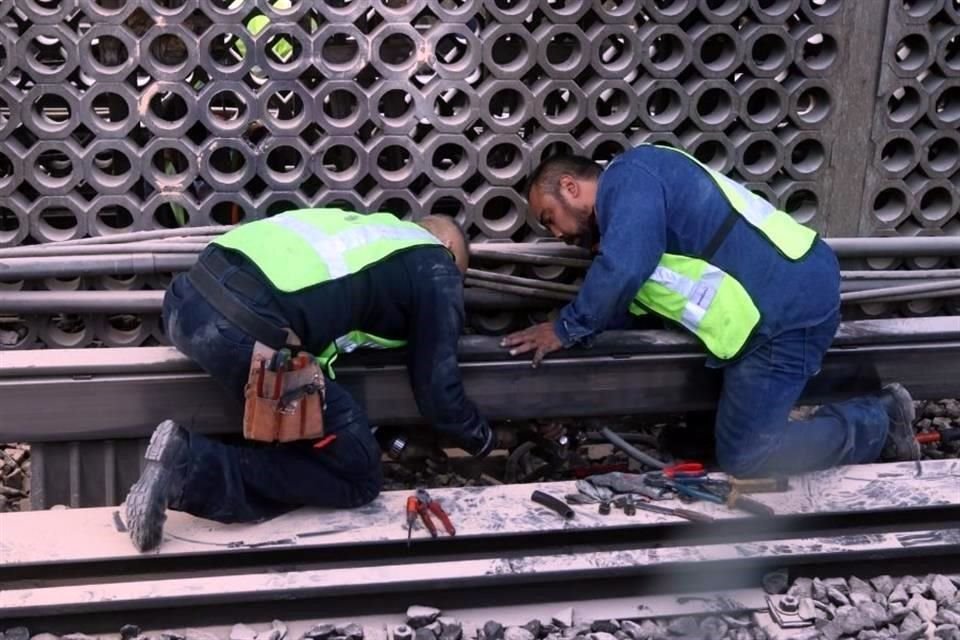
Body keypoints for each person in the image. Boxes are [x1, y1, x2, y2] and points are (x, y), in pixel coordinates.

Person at [502, 145, 921, 477]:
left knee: (750, 457)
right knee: (707, 441)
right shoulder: (630, 214)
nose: (556, 235)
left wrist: (565, 327)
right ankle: (705, 442)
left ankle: (880, 421)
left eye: (550, 218)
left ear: (571, 187)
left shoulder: (630, 177)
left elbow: (624, 268)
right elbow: (634, 302)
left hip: (785, 309)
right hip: (765, 312)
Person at [125, 208, 494, 551]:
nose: (454, 292)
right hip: (244, 331)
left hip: (183, 304)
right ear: (447, 247)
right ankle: (185, 466)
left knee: (314, 431)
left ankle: (190, 466)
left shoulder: (364, 233)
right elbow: (438, 392)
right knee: (356, 472)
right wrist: (483, 439)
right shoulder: (435, 263)